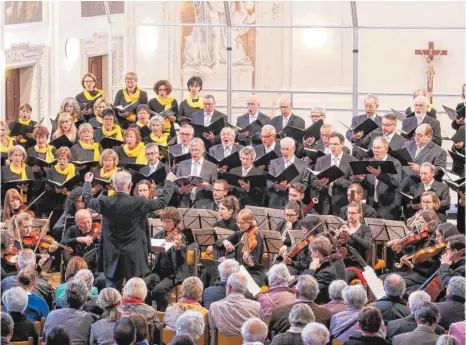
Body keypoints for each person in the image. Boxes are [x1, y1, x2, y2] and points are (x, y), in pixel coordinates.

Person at [82, 170, 176, 291]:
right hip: (135, 255)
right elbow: (162, 202)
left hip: (111, 254)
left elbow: (87, 198)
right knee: (135, 292)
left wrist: (87, 183)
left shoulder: (104, 202)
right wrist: (169, 182)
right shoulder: (139, 202)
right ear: (130, 185)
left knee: (112, 292)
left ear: (113, 185)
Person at [144, 207, 188, 312]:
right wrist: (150, 256)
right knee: (144, 284)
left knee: (158, 291)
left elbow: (182, 260)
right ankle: (148, 311)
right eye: (163, 222)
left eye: (168, 222)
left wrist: (178, 248)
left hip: (174, 274)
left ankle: (163, 313)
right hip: (158, 271)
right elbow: (151, 249)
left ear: (176, 222)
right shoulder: (159, 235)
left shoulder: (180, 237)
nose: (165, 224)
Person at [208, 272, 265, 345]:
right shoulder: (257, 306)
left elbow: (212, 336)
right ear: (245, 289)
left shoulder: (214, 307)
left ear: (229, 287)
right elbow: (263, 332)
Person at [268, 275, 333, 336]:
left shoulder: (278, 312)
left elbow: (269, 337)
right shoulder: (326, 314)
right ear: (316, 294)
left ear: (296, 292)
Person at [356, 136, 403, 220]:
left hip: (389, 209)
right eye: (374, 148)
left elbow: (396, 182)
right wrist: (362, 179)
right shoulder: (370, 161)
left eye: (378, 148)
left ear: (386, 149)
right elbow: (366, 186)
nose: (375, 150)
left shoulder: (394, 162)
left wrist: (380, 175)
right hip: (372, 207)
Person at [311, 132, 357, 216]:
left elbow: (354, 184)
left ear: (342, 144)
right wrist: (319, 183)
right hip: (323, 202)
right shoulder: (321, 160)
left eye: (335, 144)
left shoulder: (352, 161)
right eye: (330, 144)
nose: (332, 147)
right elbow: (313, 181)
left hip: (342, 203)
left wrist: (337, 180)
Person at [218, 209, 264, 286]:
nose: (239, 225)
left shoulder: (257, 236)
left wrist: (248, 261)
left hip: (253, 273)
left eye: (242, 223)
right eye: (238, 222)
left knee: (238, 286)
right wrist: (225, 241)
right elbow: (219, 241)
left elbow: (255, 263)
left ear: (251, 222)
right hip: (239, 270)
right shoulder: (240, 233)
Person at [44, 279, 94, 345]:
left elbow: (44, 336)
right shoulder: (89, 319)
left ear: (66, 297)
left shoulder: (51, 315)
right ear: (85, 299)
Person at [401, 123, 447, 190]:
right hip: (404, 185)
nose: (416, 138)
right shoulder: (407, 144)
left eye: (419, 135)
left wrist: (421, 169)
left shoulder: (439, 152)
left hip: (423, 189)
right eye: (415, 134)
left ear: (429, 137)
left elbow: (440, 171)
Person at [267, 137, 310, 209]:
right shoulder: (274, 162)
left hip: (294, 203)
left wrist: (293, 187)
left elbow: (305, 184)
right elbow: (268, 182)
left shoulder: (303, 164)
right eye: (282, 149)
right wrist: (276, 186)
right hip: (276, 202)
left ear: (293, 149)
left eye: (287, 149)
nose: (284, 152)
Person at [175, 138, 218, 208]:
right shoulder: (182, 164)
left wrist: (207, 186)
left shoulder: (212, 166)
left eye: (197, 150)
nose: (194, 152)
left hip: (204, 204)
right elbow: (174, 185)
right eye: (192, 150)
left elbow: (216, 187)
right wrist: (181, 190)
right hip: (184, 204)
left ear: (203, 150)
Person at [45, 146, 78, 231]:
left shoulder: (74, 169)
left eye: (64, 158)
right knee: (54, 229)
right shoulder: (51, 171)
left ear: (68, 159)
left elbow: (78, 186)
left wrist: (68, 190)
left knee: (67, 229)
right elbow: (47, 187)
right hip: (54, 204)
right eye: (60, 159)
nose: (62, 161)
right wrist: (55, 190)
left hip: (69, 204)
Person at [341, 203, 372, 283]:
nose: (350, 215)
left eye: (353, 213)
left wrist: (351, 233)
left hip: (358, 264)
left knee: (344, 276)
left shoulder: (365, 229)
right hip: (342, 262)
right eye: (348, 213)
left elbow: (367, 245)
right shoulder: (343, 226)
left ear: (359, 214)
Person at [302, 235, 338, 304]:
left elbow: (305, 290)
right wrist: (294, 277)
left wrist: (311, 270)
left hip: (319, 307)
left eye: (311, 252)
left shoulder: (326, 273)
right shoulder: (321, 266)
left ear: (316, 253)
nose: (311, 255)